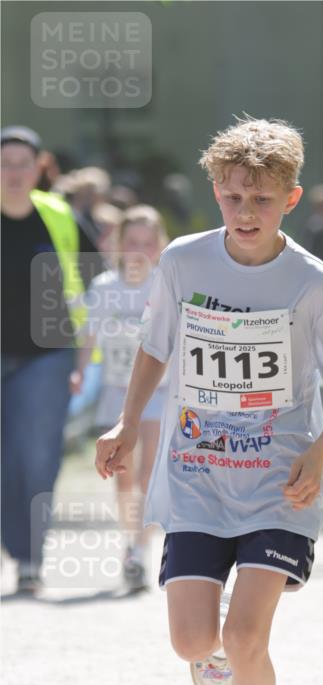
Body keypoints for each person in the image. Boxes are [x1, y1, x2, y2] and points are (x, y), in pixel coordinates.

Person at [94, 117, 323, 685]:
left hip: (280, 485)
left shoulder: (311, 282)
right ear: (215, 193)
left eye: (261, 199)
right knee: (194, 641)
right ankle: (214, 657)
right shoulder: (184, 264)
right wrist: (129, 423)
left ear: (291, 199)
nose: (244, 213)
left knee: (250, 635)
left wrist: (318, 454)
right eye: (232, 197)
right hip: (195, 476)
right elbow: (155, 345)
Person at [1, 126, 102, 593]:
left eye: (23, 163)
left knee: (37, 456)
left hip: (49, 355)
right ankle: (15, 544)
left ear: (40, 167)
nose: (14, 172)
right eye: (6, 163)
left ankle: (28, 556)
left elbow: (96, 287)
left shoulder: (60, 217)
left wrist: (87, 359)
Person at [72, 206, 169, 590]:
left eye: (147, 243)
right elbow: (89, 338)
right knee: (123, 473)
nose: (139, 250)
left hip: (160, 391)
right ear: (118, 244)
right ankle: (129, 539)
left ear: (159, 246)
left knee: (149, 473)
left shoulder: (164, 285)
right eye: (132, 242)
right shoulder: (104, 288)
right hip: (117, 391)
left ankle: (139, 549)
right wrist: (79, 370)